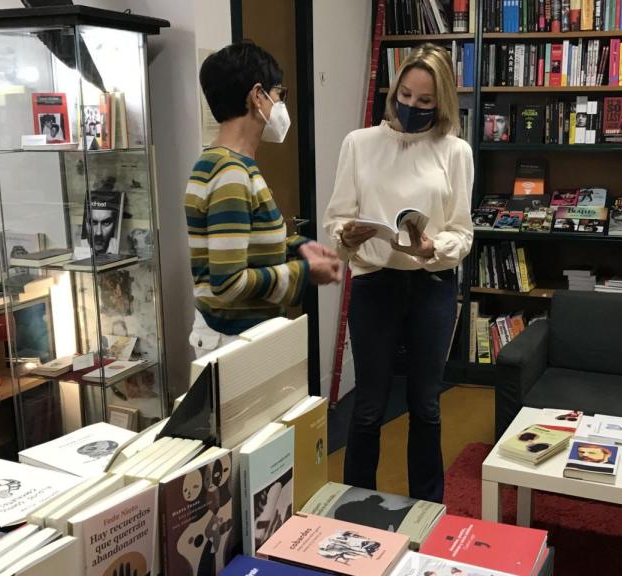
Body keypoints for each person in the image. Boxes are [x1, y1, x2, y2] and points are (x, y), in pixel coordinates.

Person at [323, 43, 473, 503]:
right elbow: (335, 219)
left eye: (425, 102)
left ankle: (427, 508)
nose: (411, 107)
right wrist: (344, 237)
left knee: (426, 407)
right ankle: (355, 506)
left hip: (431, 286)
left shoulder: (455, 151)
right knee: (368, 407)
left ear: (441, 102)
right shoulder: (359, 144)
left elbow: (462, 233)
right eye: (405, 95)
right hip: (375, 283)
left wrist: (434, 248)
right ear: (394, 91)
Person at [188, 42, 341, 356]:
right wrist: (303, 272)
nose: (280, 105)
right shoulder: (230, 173)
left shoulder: (230, 164)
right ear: (257, 96)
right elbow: (229, 283)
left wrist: (296, 245)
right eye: (278, 94)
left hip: (241, 337)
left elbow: (242, 245)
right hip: (233, 341)